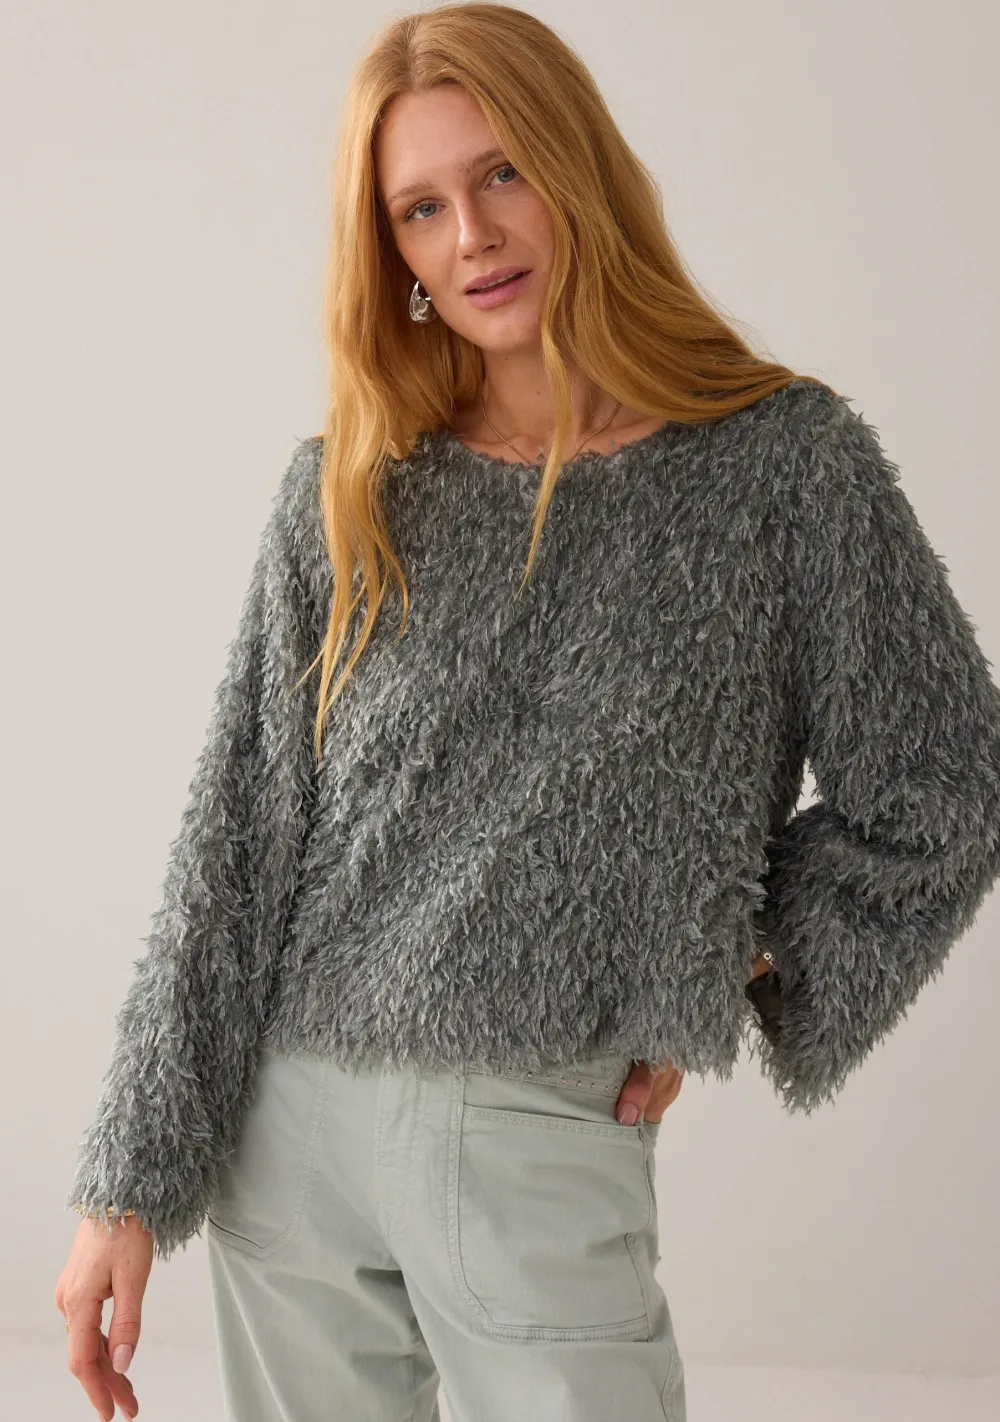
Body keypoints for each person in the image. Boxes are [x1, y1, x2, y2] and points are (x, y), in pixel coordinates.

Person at [54, 5, 1000, 1421]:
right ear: (394, 251)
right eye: (421, 208)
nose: (473, 237)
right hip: (289, 1145)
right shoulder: (353, 486)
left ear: (579, 169)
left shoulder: (783, 467)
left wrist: (720, 962)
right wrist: (124, 1186)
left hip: (532, 1125)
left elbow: (946, 787)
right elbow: (233, 849)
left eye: (503, 172)